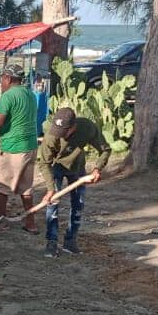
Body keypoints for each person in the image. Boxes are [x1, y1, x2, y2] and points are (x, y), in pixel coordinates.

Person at [0, 64, 40, 234]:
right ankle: (30, 222)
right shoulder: (30, 95)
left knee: (0, 185)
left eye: (2, 79)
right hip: (30, 146)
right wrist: (2, 132)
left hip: (13, 148)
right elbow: (20, 119)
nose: (1, 83)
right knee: (26, 187)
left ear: (8, 79)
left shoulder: (8, 96)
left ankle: (1, 220)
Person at [39, 108, 109, 257]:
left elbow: (105, 149)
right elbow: (44, 163)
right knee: (53, 204)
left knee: (78, 204)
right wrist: (51, 189)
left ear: (73, 127)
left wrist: (97, 169)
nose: (59, 135)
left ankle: (70, 241)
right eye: (57, 131)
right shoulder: (51, 136)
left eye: (63, 132)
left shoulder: (86, 128)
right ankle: (51, 242)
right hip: (55, 167)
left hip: (77, 168)